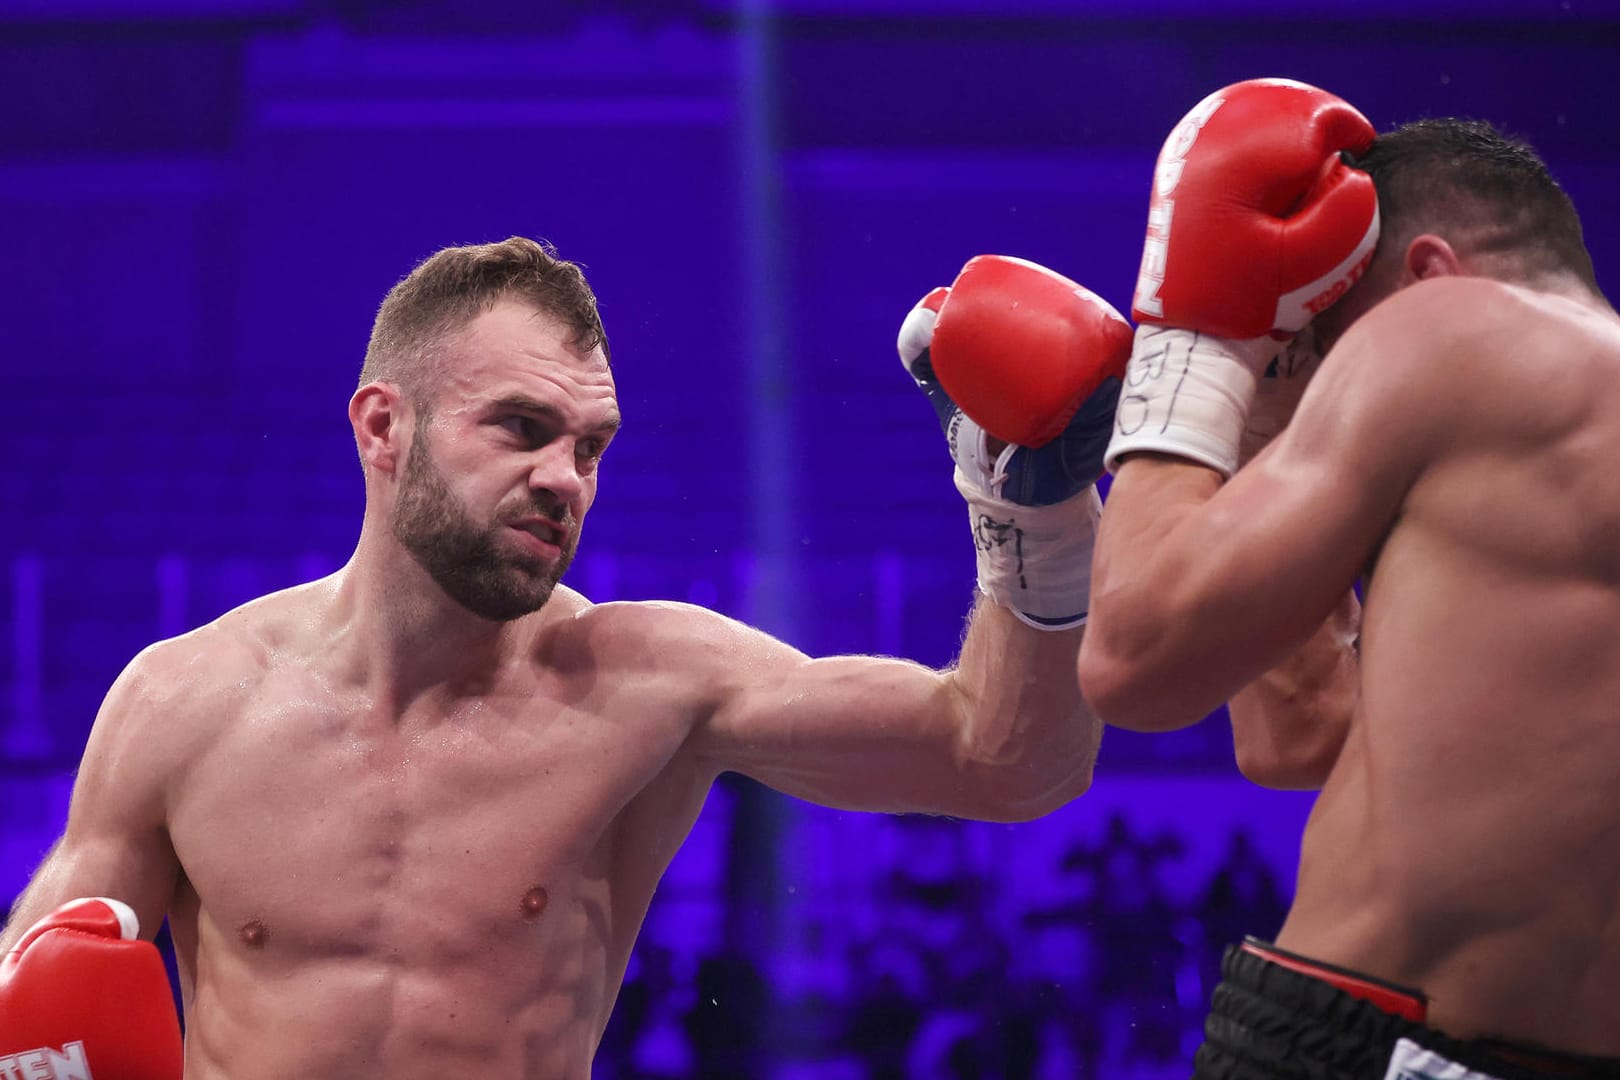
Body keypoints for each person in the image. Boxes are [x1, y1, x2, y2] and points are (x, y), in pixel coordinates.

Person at [0, 239, 1131, 1077]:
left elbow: (1007, 762)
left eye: (591, 447)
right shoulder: (182, 703)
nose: (567, 478)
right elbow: (34, 989)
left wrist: (1036, 515)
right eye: (523, 429)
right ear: (383, 427)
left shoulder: (646, 684)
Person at [1079, 76, 1620, 1076]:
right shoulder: (1553, 456)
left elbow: (1134, 655)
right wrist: (1271, 430)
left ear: (1429, 275)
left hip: (1367, 1032)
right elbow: (1305, 739)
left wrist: (1197, 351)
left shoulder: (1452, 329)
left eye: (1322, 348)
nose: (1320, 381)